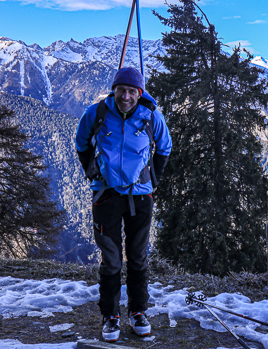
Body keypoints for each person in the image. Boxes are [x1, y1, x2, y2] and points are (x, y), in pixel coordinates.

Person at [75, 67, 172, 342]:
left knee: (138, 255)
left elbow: (165, 147)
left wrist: (152, 178)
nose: (126, 96)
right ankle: (110, 316)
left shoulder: (151, 115)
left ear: (139, 93)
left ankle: (138, 311)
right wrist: (92, 171)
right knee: (112, 258)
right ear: (114, 90)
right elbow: (81, 142)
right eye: (121, 90)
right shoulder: (96, 113)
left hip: (140, 195)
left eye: (132, 91)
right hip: (106, 193)